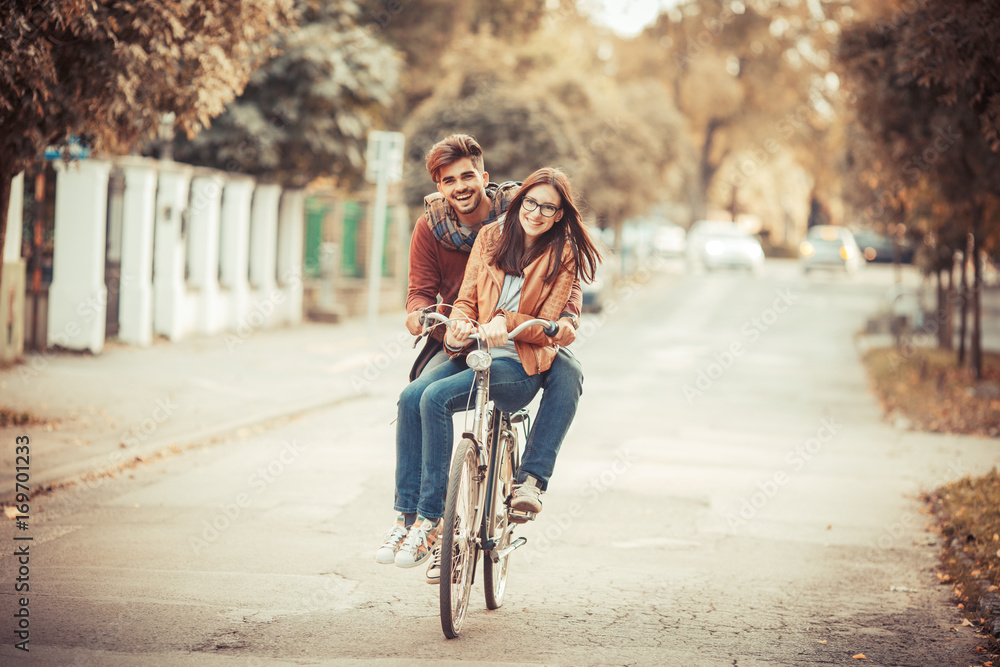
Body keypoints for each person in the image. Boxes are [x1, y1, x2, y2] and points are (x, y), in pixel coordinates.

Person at [374, 135, 587, 583]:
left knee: (567, 369)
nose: (536, 213)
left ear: (486, 181)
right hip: (467, 344)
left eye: (549, 208)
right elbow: (462, 296)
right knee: (414, 397)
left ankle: (455, 511)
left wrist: (504, 321)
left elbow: (553, 320)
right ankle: (407, 519)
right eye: (532, 204)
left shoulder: (561, 250)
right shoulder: (482, 235)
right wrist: (454, 324)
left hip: (521, 356)